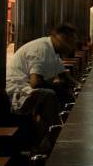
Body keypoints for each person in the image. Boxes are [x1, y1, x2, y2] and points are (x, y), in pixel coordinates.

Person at [6, 24, 77, 152]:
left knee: (64, 94)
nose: (72, 47)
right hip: (18, 91)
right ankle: (56, 140)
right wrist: (59, 88)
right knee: (49, 95)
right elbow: (36, 83)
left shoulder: (54, 51)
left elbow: (64, 76)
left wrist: (78, 86)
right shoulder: (42, 49)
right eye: (71, 42)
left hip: (27, 88)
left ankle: (58, 131)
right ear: (61, 39)